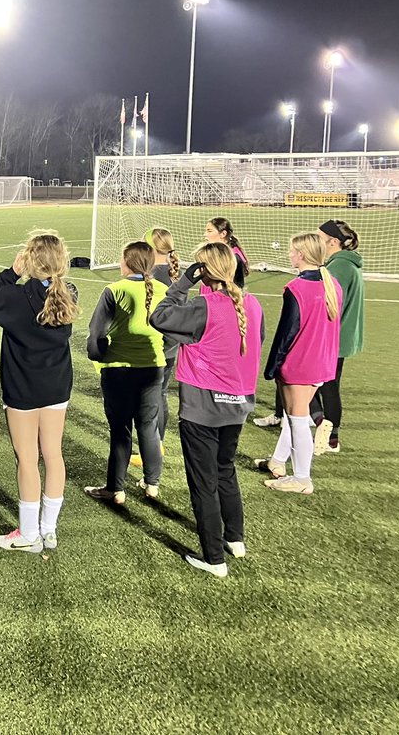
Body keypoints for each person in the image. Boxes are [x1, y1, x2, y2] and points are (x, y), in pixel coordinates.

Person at [150, 243, 265, 578]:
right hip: (238, 404)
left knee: (204, 483)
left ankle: (214, 558)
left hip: (203, 407)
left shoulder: (203, 306)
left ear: (203, 271)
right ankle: (235, 538)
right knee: (225, 469)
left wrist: (183, 282)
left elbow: (159, 317)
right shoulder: (252, 304)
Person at [0, 232, 79, 553]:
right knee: (54, 454)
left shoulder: (14, 297)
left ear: (30, 261)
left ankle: (30, 534)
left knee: (28, 459)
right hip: (57, 386)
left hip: (22, 389)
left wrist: (11, 273)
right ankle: (48, 530)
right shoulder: (68, 294)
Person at [255, 233, 342, 495]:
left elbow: (287, 332)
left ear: (301, 255)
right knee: (297, 417)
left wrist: (272, 366)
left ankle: (302, 478)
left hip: (300, 364)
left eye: (293, 251)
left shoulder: (297, 288)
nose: (290, 255)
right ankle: (278, 462)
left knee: (297, 420)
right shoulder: (332, 284)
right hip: (321, 361)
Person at [84, 241, 169, 504]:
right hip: (153, 367)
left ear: (127, 262)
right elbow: (173, 331)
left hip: (119, 369)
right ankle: (152, 484)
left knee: (120, 430)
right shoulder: (164, 290)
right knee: (148, 426)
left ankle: (116, 489)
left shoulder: (114, 289)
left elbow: (96, 332)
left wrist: (99, 355)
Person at [316, 219, 365, 454]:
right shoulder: (346, 264)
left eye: (319, 238)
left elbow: (328, 305)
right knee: (324, 384)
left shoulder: (338, 268)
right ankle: (320, 425)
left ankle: (331, 436)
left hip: (333, 338)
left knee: (328, 386)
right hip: (341, 337)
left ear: (333, 242)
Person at [146, 227, 181, 448]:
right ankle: (157, 443)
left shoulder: (155, 274)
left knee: (153, 398)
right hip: (170, 345)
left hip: (158, 346)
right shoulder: (172, 272)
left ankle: (154, 446)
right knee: (161, 394)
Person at [203, 217, 249, 289]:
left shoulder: (234, 256)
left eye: (209, 231)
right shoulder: (215, 252)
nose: (205, 234)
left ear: (223, 234)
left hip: (220, 298)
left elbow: (237, 286)